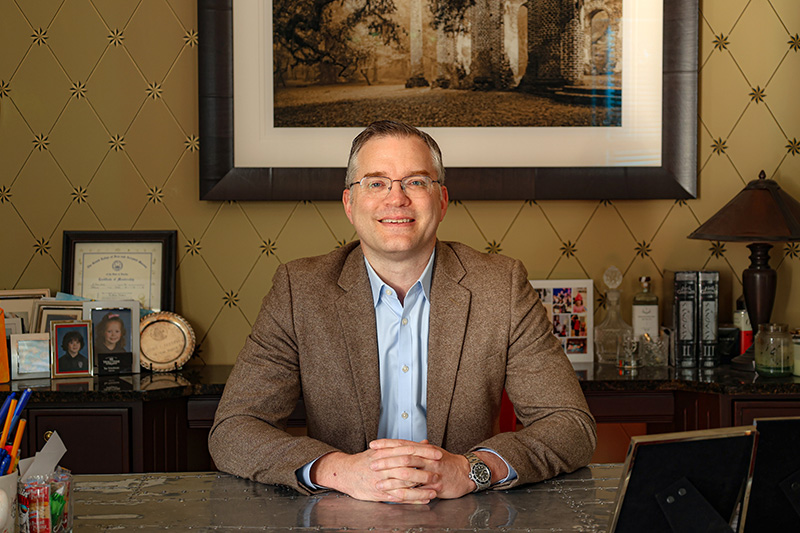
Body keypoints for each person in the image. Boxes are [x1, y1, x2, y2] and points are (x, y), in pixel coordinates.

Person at [209, 120, 596, 504]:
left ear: (441, 201)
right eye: (376, 183)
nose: (396, 199)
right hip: (343, 514)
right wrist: (340, 470)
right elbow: (234, 429)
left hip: (466, 514)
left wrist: (471, 470)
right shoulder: (300, 290)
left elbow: (571, 426)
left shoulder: (501, 286)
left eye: (415, 182)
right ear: (350, 204)